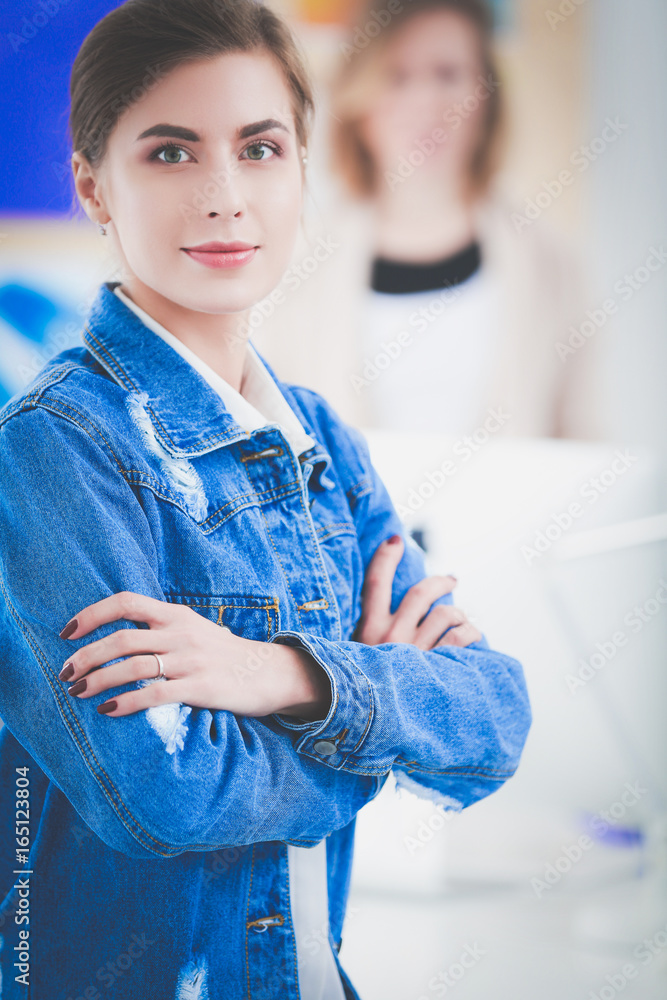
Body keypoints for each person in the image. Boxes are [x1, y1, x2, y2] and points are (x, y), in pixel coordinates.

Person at [0, 1, 531, 996]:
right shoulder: (54, 447)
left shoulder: (321, 441)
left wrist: (277, 674)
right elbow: (165, 794)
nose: (223, 196)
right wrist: (375, 707)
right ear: (91, 187)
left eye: (259, 148)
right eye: (169, 153)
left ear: (300, 171)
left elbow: (493, 718)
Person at [251, 0, 607, 440]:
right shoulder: (290, 265)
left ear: (486, 96)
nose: (425, 101)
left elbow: (584, 445)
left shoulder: (552, 263)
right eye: (397, 76)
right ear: (359, 98)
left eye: (448, 74)